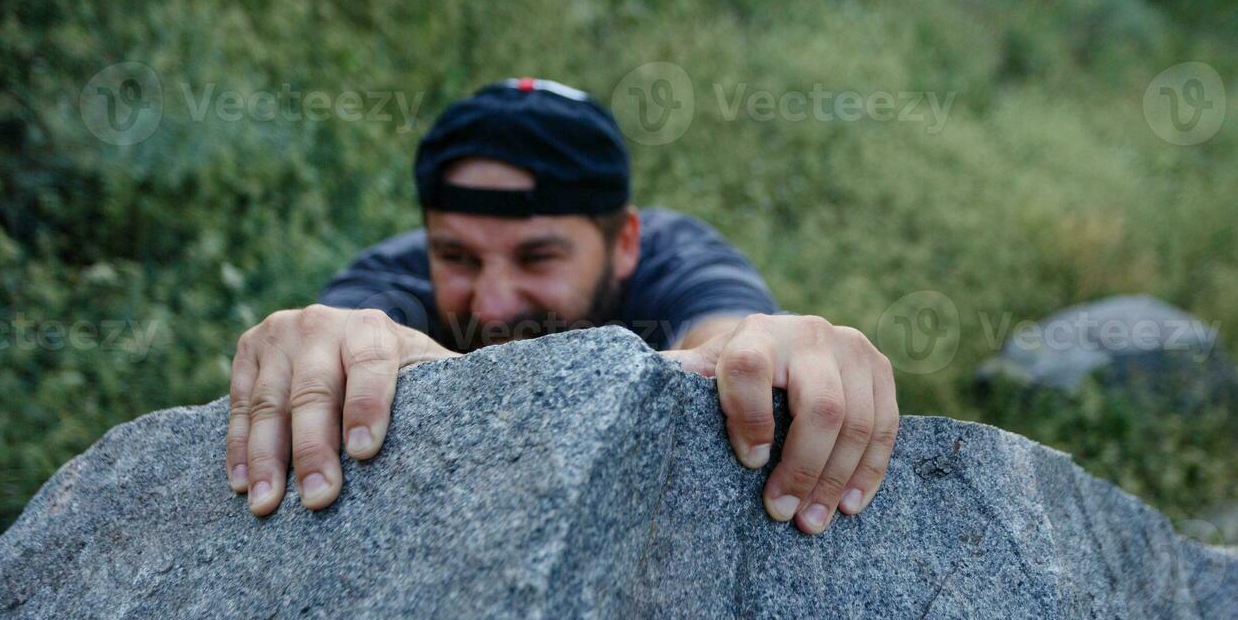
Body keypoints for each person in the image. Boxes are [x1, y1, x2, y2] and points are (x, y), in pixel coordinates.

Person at [224, 78, 899, 534]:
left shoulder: (677, 257)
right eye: (456, 257)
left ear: (624, 242)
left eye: (538, 258)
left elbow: (738, 332)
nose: (490, 305)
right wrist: (312, 344)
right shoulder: (396, 270)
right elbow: (349, 326)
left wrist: (782, 351)